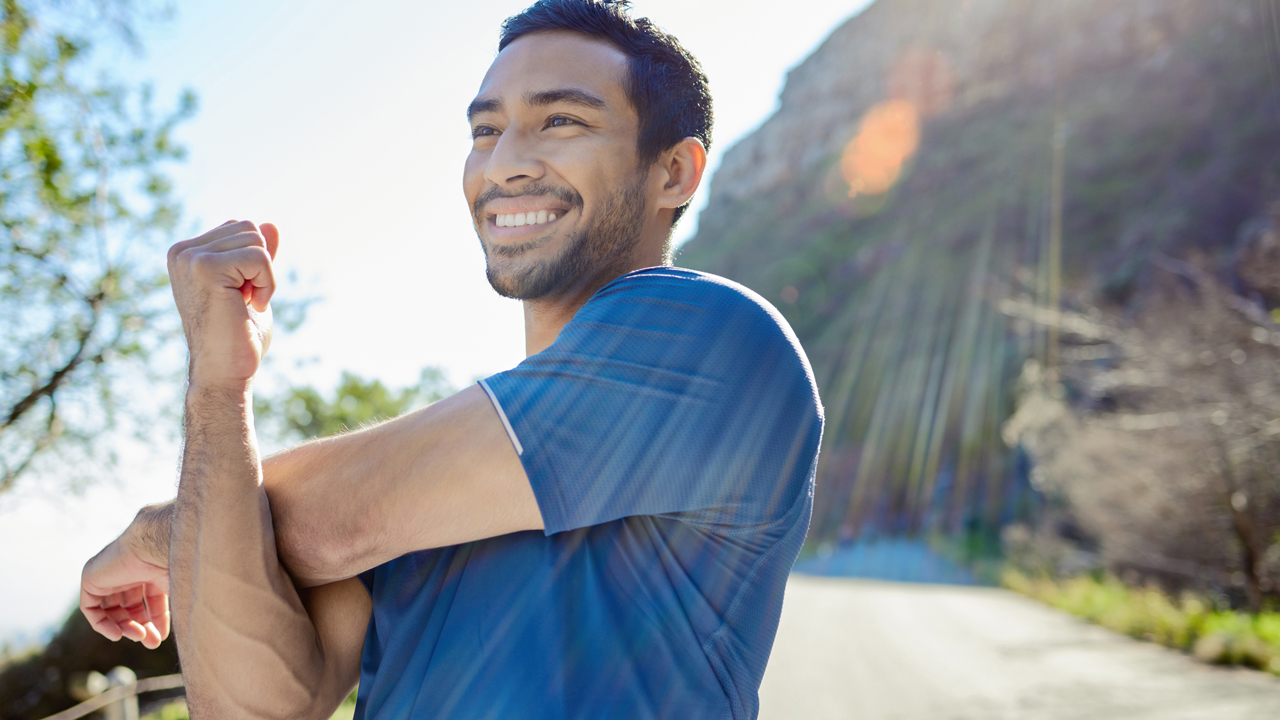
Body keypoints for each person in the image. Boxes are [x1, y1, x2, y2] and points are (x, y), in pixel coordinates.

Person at [78, 1, 823, 718]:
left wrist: (157, 533)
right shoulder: (433, 474)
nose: (505, 163)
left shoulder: (713, 337)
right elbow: (251, 709)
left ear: (675, 173)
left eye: (560, 120)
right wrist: (218, 383)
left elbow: (324, 524)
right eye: (486, 129)